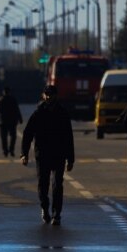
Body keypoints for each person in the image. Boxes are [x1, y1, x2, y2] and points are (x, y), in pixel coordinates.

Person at [20, 85, 74, 225]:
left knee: (57, 184)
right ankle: (45, 208)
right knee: (43, 185)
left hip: (58, 154)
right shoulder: (38, 113)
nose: (49, 97)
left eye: (51, 94)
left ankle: (56, 214)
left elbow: (68, 136)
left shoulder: (62, 113)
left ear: (56, 95)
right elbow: (28, 134)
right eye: (46, 94)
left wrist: (71, 159)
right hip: (42, 155)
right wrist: (24, 153)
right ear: (43, 95)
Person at [0, 86, 23, 157]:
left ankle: (5, 151)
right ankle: (11, 150)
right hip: (12, 121)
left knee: (4, 138)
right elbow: (17, 110)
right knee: (13, 137)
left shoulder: (0, 100)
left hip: (3, 121)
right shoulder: (13, 100)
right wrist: (20, 119)